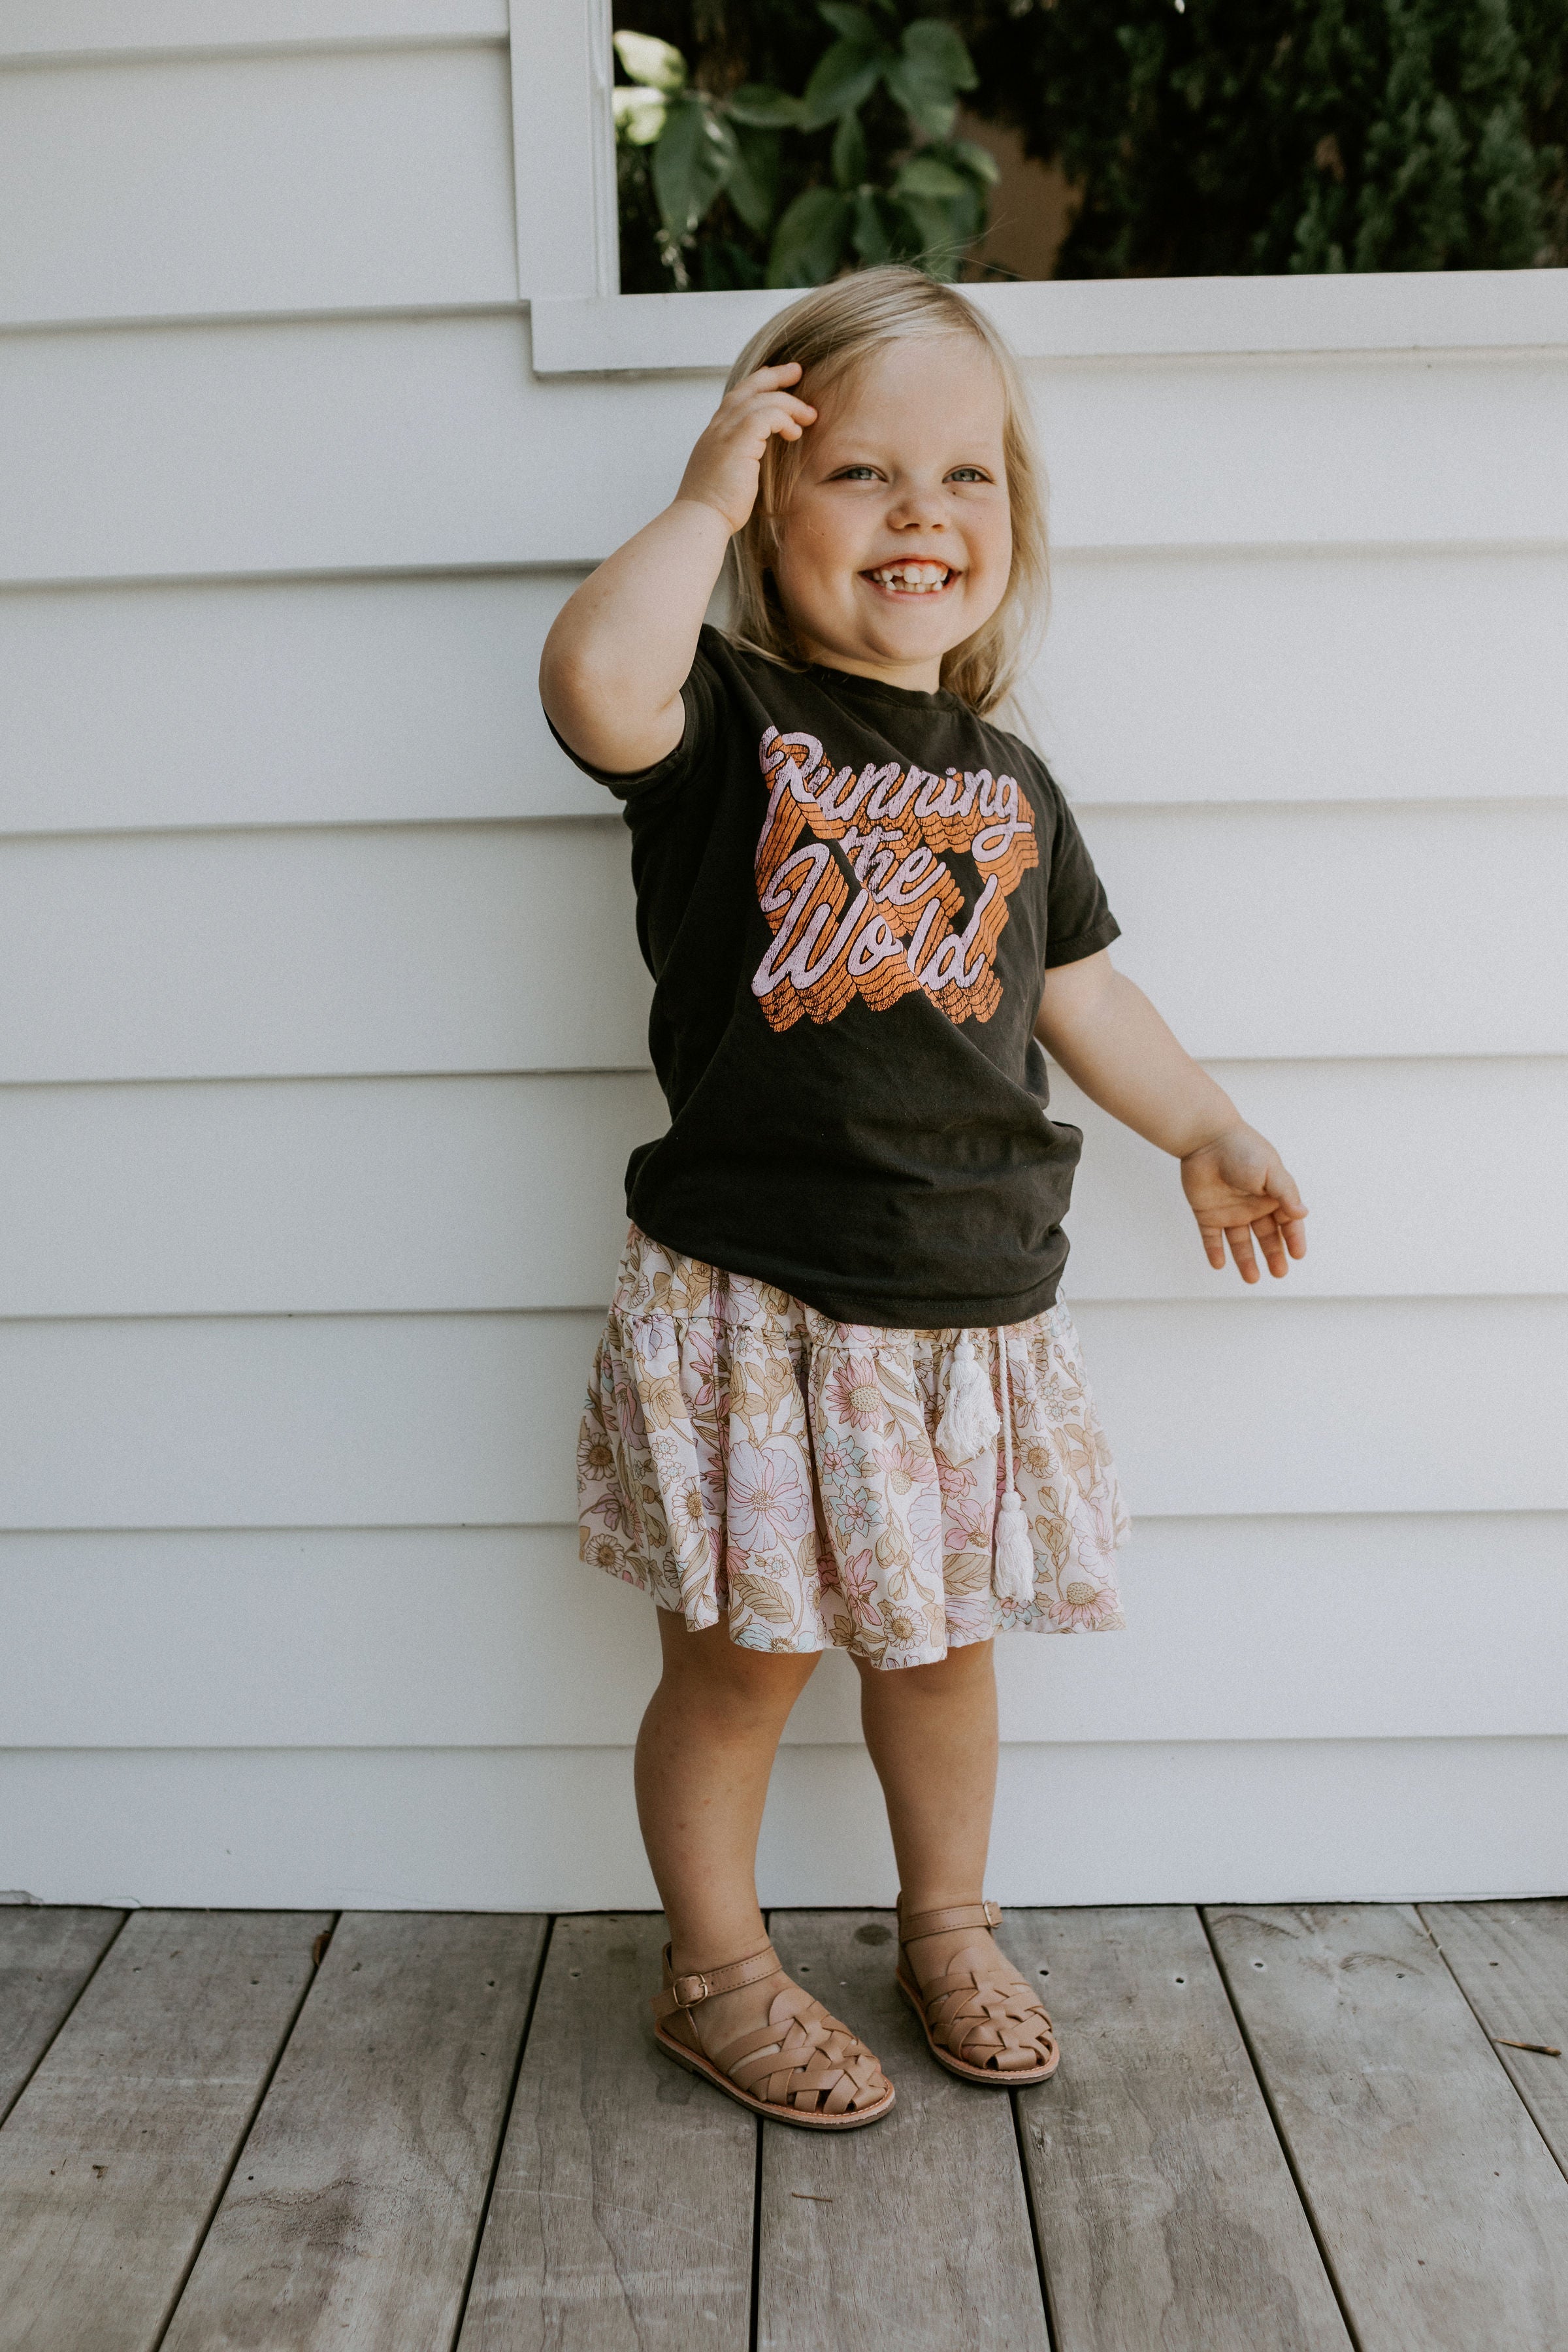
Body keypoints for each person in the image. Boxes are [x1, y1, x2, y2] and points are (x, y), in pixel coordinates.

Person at [540, 265, 1307, 2130]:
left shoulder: (1018, 784)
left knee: (945, 1659)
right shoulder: (727, 722)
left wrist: (1202, 1126)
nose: (920, 514)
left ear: (1013, 525)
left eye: (968, 479)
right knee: (742, 1665)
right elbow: (591, 677)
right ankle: (714, 1970)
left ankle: (943, 1920)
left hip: (966, 1312)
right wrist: (706, 495)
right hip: (756, 1297)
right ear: (776, 508)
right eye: (861, 473)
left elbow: (1087, 995)